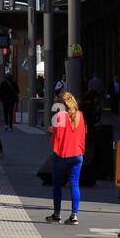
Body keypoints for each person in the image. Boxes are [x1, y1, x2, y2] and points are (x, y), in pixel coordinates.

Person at [46, 90, 87, 225]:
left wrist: (52, 130)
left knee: (57, 185)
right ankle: (74, 215)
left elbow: (57, 137)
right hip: (77, 155)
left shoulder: (60, 116)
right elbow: (82, 133)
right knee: (74, 184)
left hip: (63, 155)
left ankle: (57, 214)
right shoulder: (80, 115)